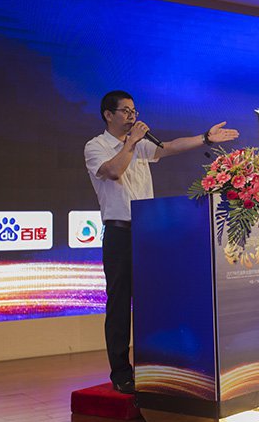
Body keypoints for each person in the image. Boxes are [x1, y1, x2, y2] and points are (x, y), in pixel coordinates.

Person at [84, 90, 239, 394]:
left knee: (153, 300)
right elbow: (113, 171)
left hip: (149, 233)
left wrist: (205, 138)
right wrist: (130, 142)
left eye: (134, 111)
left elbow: (169, 147)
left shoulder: (141, 145)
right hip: (119, 233)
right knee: (119, 304)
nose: (133, 116)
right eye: (126, 111)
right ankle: (121, 371)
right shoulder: (96, 146)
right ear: (108, 114)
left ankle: (155, 365)